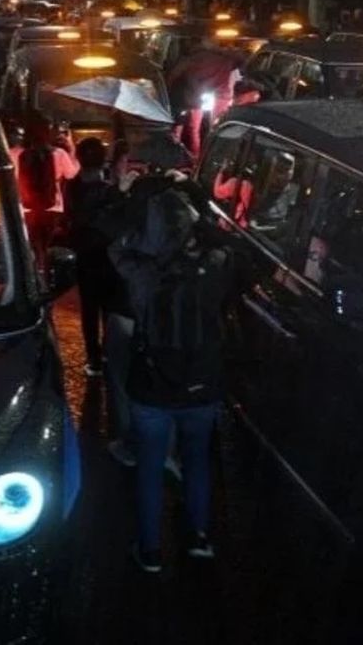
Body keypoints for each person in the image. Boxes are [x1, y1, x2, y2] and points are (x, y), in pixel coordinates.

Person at [109, 175, 234, 573]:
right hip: (202, 381)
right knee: (197, 458)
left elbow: (117, 246)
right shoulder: (215, 265)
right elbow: (229, 246)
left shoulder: (142, 272)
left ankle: (149, 550)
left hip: (154, 383)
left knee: (149, 463)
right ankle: (199, 536)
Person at [64, 138, 117, 378]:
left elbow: (70, 219)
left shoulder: (72, 188)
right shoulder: (109, 190)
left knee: (89, 308)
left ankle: (94, 358)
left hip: (85, 255)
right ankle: (108, 353)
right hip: (107, 256)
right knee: (108, 306)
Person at [10, 117, 79, 268]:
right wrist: (72, 149)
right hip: (52, 207)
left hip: (24, 207)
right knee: (47, 246)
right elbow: (71, 174)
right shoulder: (58, 153)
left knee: (28, 244)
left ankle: (32, 272)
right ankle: (46, 274)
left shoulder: (14, 153)